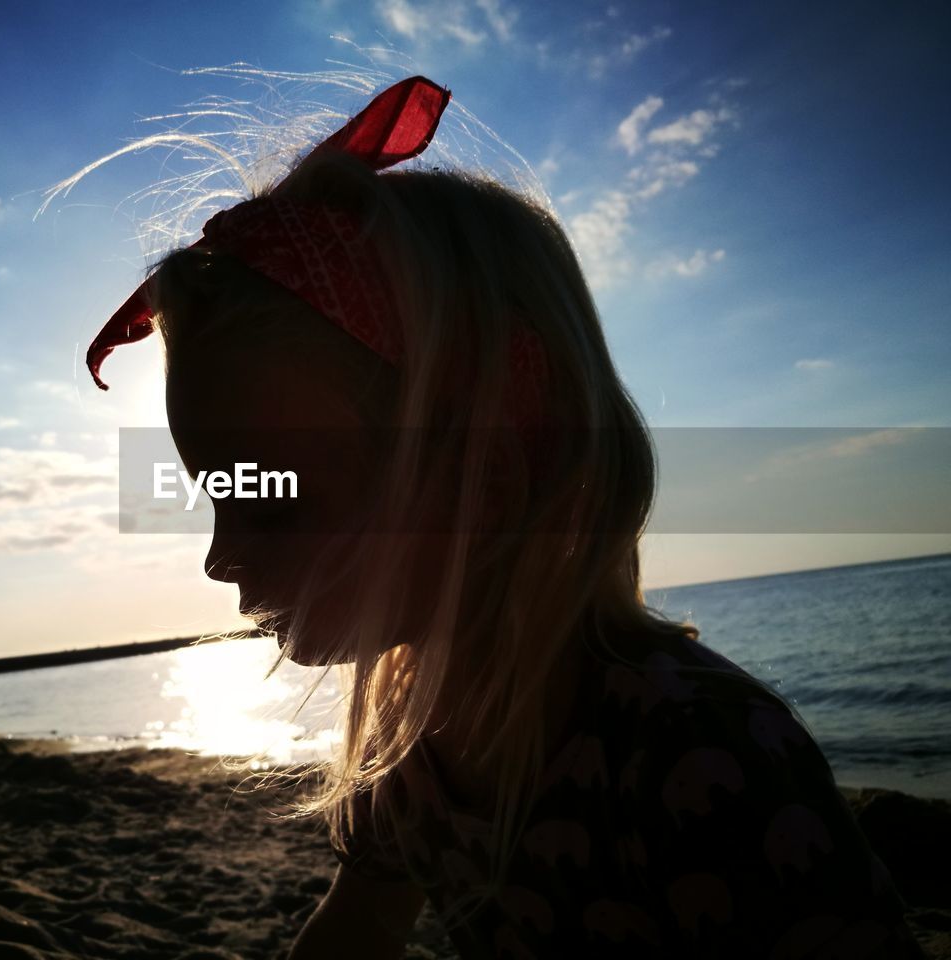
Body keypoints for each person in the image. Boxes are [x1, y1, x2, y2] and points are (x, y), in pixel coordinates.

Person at [66, 76, 923, 957]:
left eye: (275, 499)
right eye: (227, 498)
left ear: (490, 485)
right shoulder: (407, 733)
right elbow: (356, 930)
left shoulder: (703, 754)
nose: (219, 557)